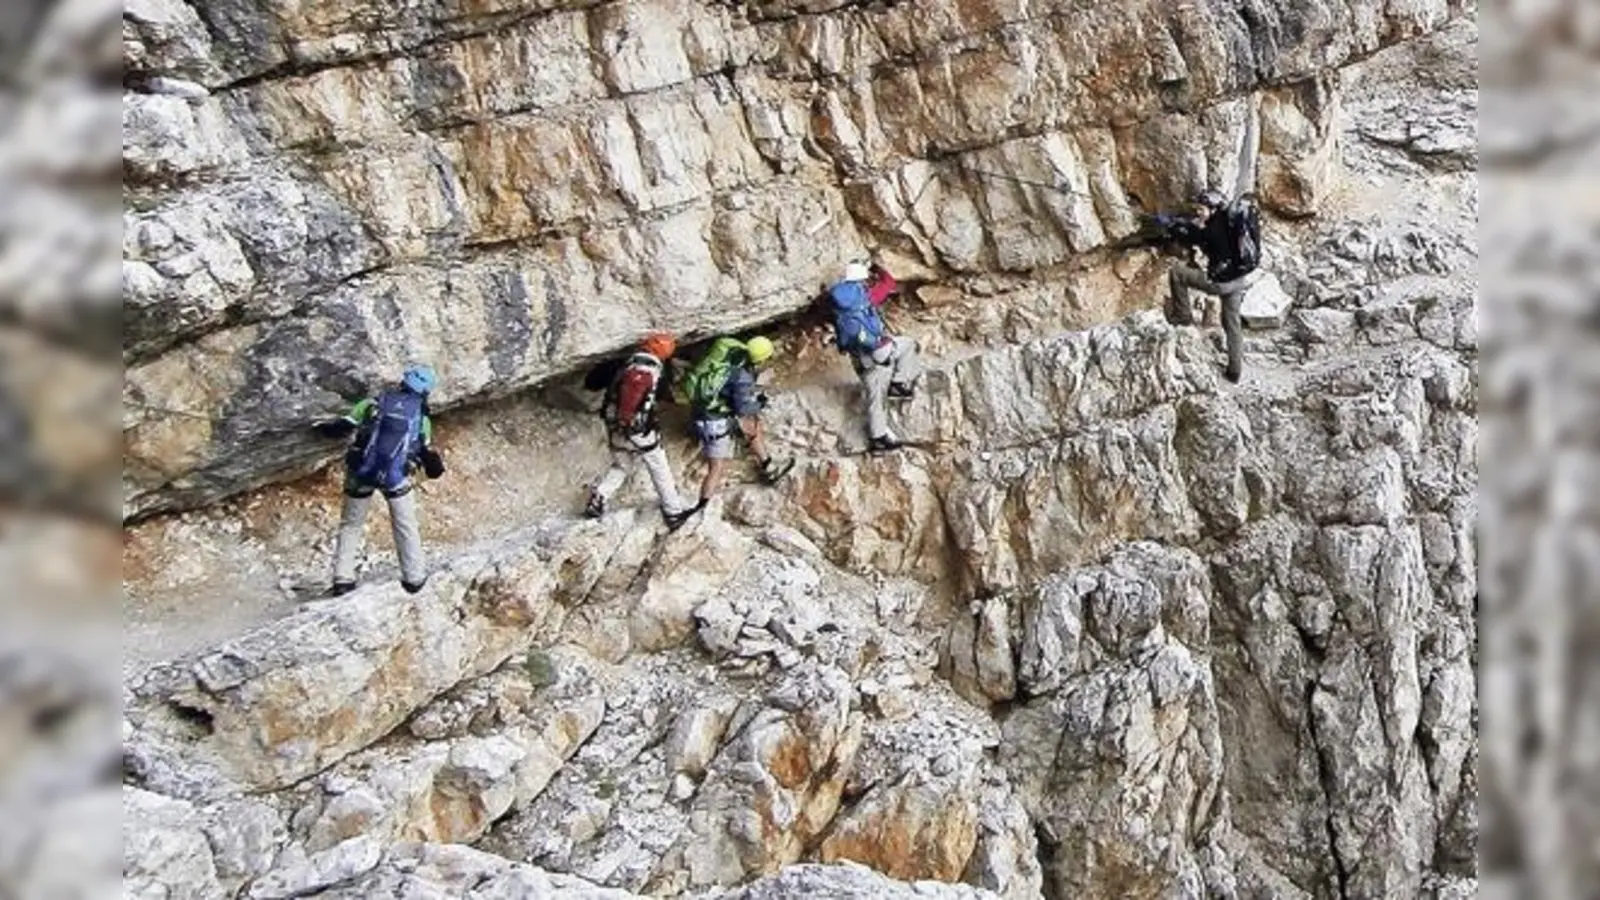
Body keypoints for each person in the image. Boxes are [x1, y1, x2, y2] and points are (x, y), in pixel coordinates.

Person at [312, 363, 445, 596]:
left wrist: (319, 429)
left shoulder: (373, 404)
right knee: (405, 525)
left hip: (360, 472)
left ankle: (343, 579)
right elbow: (424, 453)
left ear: (403, 382)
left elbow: (342, 427)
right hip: (396, 478)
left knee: (351, 524)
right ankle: (414, 578)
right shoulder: (421, 418)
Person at [584, 332, 696, 531]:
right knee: (658, 464)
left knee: (624, 463)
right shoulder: (649, 370)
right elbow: (655, 397)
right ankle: (674, 511)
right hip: (637, 428)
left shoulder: (628, 363)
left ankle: (599, 496)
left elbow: (596, 384)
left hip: (613, 422)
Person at [1152, 188, 1264, 383]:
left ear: (1213, 209)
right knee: (1232, 323)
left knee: (1177, 272)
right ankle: (1235, 371)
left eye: (1202, 209)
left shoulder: (1212, 230)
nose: (1198, 212)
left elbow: (1192, 235)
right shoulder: (1230, 221)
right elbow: (1198, 230)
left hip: (1220, 283)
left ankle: (1182, 317)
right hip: (1238, 280)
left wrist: (1171, 226)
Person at [678, 335, 794, 506]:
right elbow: (743, 409)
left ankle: (768, 464)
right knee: (717, 466)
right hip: (712, 421)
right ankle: (701, 505)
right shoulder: (742, 376)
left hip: (698, 407)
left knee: (752, 425)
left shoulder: (729, 350)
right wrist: (760, 404)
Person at [827, 260, 923, 452]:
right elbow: (889, 283)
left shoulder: (837, 305)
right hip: (877, 350)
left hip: (858, 358)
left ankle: (878, 439)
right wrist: (876, 267)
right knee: (908, 344)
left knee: (875, 397)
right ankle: (898, 384)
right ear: (862, 280)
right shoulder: (866, 296)